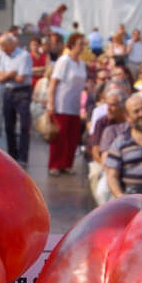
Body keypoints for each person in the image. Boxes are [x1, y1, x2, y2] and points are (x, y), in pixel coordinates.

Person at [45, 32, 87, 175]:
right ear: (73, 44)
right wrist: (51, 103)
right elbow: (53, 82)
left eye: (83, 44)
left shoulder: (81, 63)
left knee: (72, 136)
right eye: (80, 44)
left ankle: (67, 164)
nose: (82, 47)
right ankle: (55, 165)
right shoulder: (64, 61)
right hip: (61, 103)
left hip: (75, 105)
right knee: (59, 135)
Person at [0, 34, 34, 166]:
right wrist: (12, 73)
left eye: (4, 46)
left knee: (24, 125)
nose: (2, 49)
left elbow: (21, 78)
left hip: (22, 92)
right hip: (9, 91)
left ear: (11, 44)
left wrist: (8, 75)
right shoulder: (3, 56)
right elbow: (0, 78)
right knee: (8, 125)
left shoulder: (24, 56)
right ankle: (12, 155)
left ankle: (23, 157)